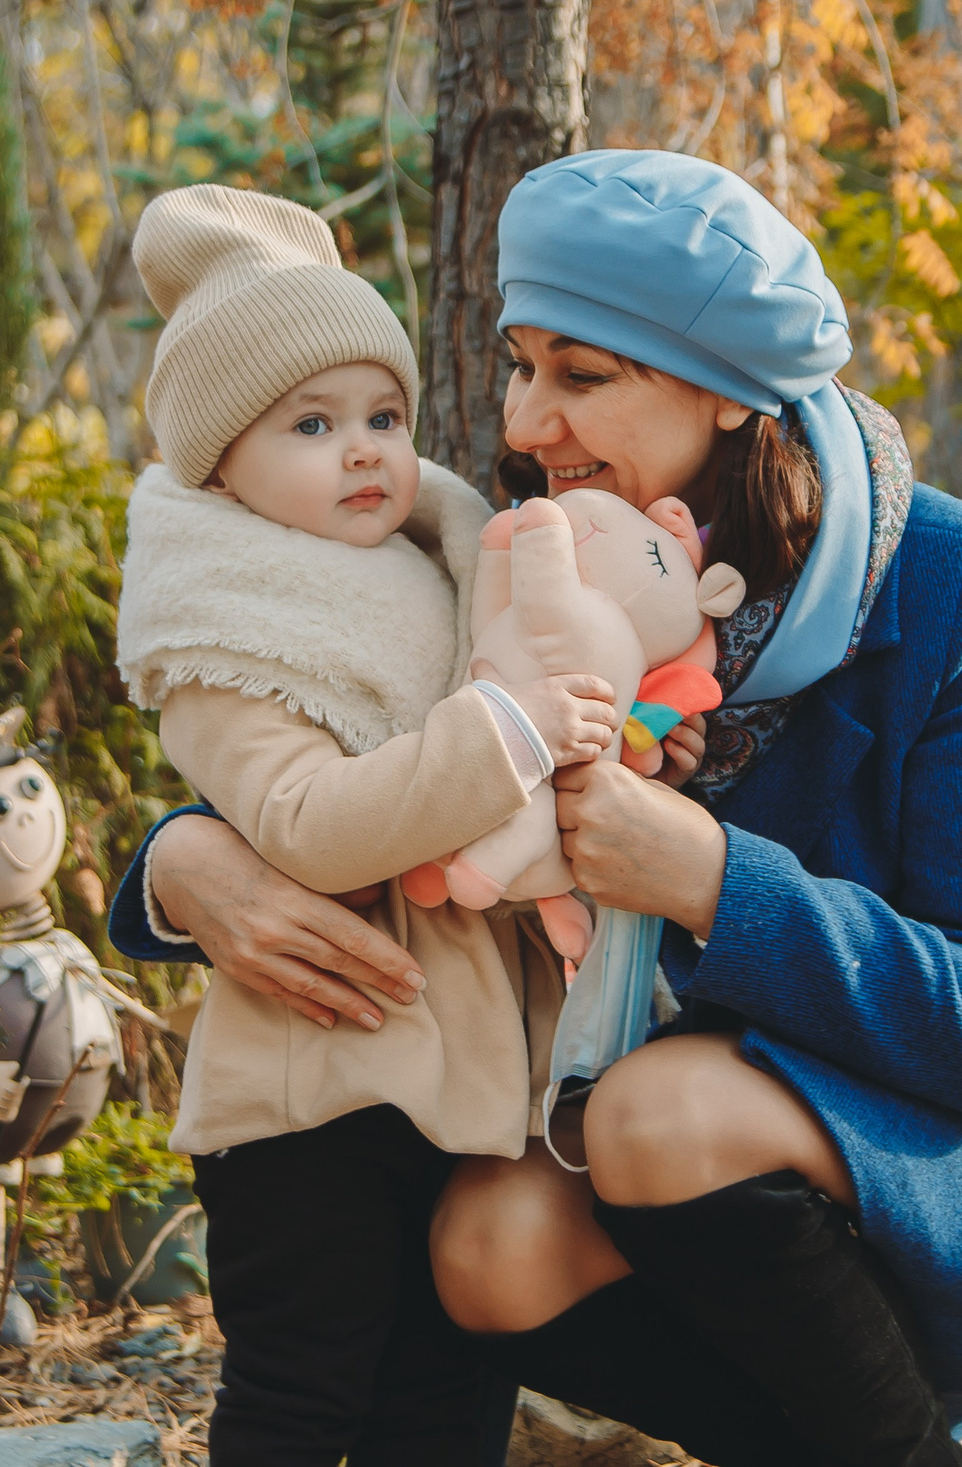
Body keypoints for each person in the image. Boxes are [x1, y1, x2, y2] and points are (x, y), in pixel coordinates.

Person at [112, 153, 962, 1467]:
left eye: (582, 376)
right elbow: (320, 725)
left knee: (654, 1111)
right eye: (519, 366)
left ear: (732, 390)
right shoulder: (545, 544)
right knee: (483, 1241)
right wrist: (180, 862)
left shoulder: (952, 582)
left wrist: (711, 878)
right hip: (719, 1189)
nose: (522, 422)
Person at [111, 184, 613, 1467]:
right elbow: (309, 828)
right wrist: (503, 727)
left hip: (459, 1084)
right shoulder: (228, 638)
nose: (365, 451)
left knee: (444, 1397)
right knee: (300, 1391)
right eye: (313, 424)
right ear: (220, 462)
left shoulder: (435, 573)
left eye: (383, 417)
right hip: (311, 1101)